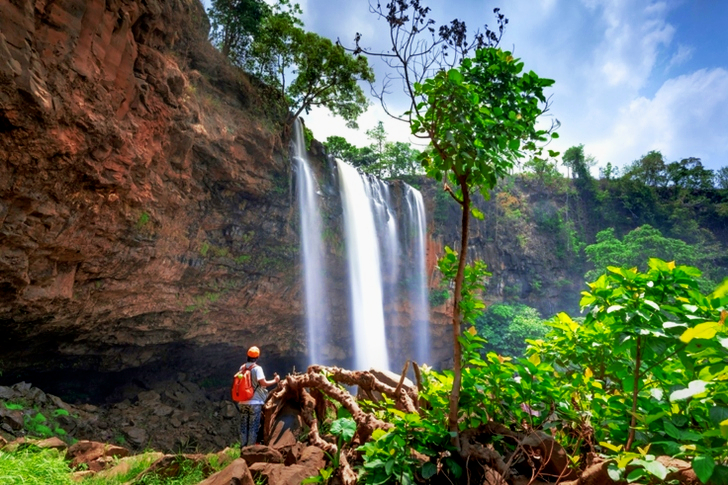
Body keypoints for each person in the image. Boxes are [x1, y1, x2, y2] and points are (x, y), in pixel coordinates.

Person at [237, 346, 279, 447]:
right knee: (253, 427)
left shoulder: (242, 368)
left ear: (247, 356)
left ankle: (243, 448)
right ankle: (250, 450)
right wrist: (275, 380)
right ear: (257, 357)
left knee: (243, 426)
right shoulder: (257, 368)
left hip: (242, 402)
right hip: (255, 402)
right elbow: (263, 383)